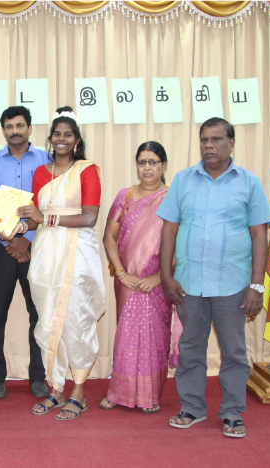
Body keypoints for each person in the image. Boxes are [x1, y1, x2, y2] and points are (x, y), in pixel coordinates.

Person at [157, 117, 270, 438]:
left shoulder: (249, 182)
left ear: (231, 143)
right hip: (189, 283)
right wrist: (166, 276)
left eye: (216, 139)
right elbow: (169, 231)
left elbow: (259, 236)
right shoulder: (183, 180)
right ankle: (192, 407)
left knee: (234, 351)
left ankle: (232, 411)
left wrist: (256, 286)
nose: (209, 146)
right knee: (190, 348)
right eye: (204, 140)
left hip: (232, 285)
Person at [12, 106, 106, 421]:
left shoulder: (87, 170)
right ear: (50, 139)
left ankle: (78, 392)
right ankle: (56, 389)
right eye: (57, 134)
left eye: (68, 134)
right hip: (45, 255)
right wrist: (13, 226)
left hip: (77, 253)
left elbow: (90, 217)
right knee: (48, 321)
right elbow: (34, 219)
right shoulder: (41, 173)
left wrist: (45, 218)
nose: (61, 139)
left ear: (77, 140)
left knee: (76, 320)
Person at [0, 106, 50, 400]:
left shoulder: (46, 160)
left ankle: (38, 376)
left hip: (38, 245)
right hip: (0, 246)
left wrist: (26, 239)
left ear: (30, 128)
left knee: (38, 313)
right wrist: (8, 238)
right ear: (3, 130)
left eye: (20, 125)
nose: (15, 131)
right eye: (9, 126)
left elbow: (50, 205)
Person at [100, 141, 179, 414]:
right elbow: (109, 237)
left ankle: (149, 395)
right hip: (127, 280)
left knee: (153, 339)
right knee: (126, 336)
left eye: (153, 162)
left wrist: (159, 277)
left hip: (157, 282)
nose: (147, 168)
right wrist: (121, 273)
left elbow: (180, 244)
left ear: (163, 165)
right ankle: (118, 392)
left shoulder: (172, 198)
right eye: (142, 162)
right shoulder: (125, 196)